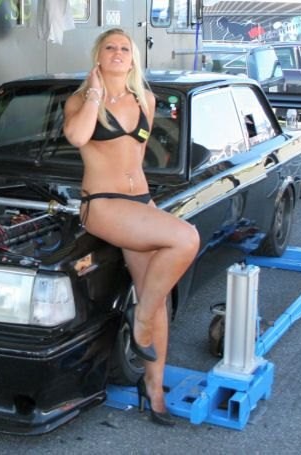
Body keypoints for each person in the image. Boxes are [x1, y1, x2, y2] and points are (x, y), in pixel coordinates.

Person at [63, 28, 199, 426]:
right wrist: (94, 94)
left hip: (139, 202)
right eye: (110, 47)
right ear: (98, 56)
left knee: (156, 295)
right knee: (185, 238)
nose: (118, 52)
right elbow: (77, 137)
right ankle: (139, 319)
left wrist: (145, 203)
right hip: (102, 203)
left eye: (125, 47)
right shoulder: (80, 100)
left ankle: (154, 390)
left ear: (133, 57)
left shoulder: (145, 99)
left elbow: (137, 154)